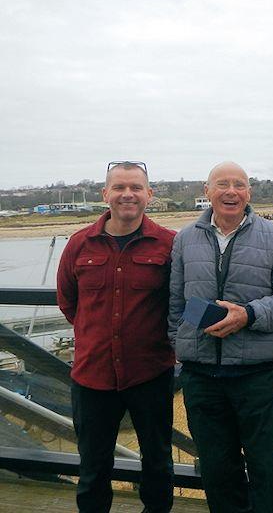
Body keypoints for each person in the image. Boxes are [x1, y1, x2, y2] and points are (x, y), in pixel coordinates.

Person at [169, 161, 273, 513]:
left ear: (249, 192)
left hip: (254, 374)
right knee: (216, 470)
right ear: (207, 191)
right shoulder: (185, 239)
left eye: (240, 185)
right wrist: (179, 345)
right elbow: (174, 303)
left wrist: (249, 315)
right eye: (222, 184)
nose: (231, 191)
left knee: (269, 467)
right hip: (200, 376)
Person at [56, 161, 175, 513]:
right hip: (93, 377)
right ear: (105, 193)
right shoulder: (79, 245)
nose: (128, 194)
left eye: (136, 187)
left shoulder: (170, 245)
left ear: (149, 195)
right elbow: (68, 301)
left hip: (149, 374)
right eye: (119, 187)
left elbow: (178, 301)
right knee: (93, 468)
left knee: (157, 464)